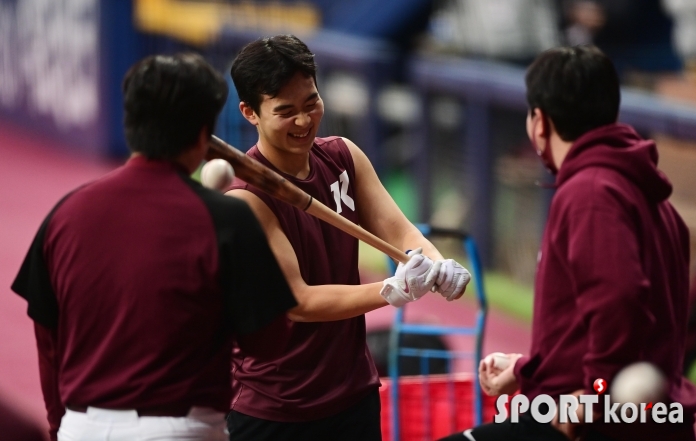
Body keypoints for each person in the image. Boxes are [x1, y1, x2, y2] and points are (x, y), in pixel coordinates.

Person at [11, 53, 297, 441]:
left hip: (80, 428)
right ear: (203, 135)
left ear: (130, 124)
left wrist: (59, 426)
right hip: (183, 429)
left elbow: (47, 341)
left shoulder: (64, 214)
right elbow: (267, 342)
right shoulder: (227, 220)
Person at [439, 45, 696, 441]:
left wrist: (596, 397)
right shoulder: (650, 198)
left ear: (540, 121)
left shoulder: (591, 191)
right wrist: (526, 369)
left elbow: (619, 300)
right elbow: (594, 325)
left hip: (592, 423)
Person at [224, 34, 471, 440]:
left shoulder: (342, 156)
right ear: (250, 112)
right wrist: (389, 291)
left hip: (352, 395)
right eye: (286, 111)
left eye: (311, 103)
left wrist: (433, 262)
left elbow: (400, 231)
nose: (304, 121)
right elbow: (298, 301)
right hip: (276, 408)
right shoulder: (247, 198)